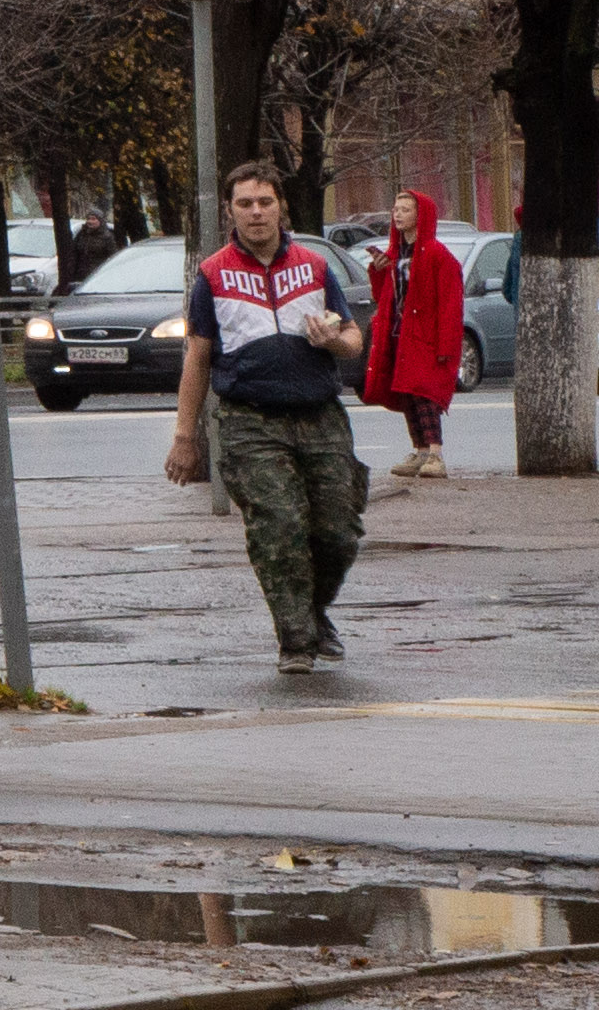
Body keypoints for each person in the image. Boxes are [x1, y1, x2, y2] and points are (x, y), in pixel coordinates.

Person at [171, 160, 368, 663]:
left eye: (265, 202)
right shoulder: (213, 274)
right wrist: (185, 436)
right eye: (245, 204)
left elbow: (352, 337)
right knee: (278, 526)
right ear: (230, 212)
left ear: (281, 206)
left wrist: (337, 343)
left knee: (339, 531)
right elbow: (197, 356)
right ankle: (297, 641)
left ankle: (312, 612)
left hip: (319, 414)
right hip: (249, 419)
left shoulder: (315, 266)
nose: (256, 213)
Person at [360, 189, 468, 480]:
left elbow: (450, 303)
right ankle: (419, 449)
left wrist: (447, 345)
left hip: (425, 336)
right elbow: (382, 295)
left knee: (424, 392)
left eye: (405, 210)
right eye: (396, 209)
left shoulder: (437, 256)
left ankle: (435, 452)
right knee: (405, 391)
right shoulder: (395, 253)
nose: (397, 215)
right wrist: (379, 271)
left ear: (421, 216)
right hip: (398, 332)